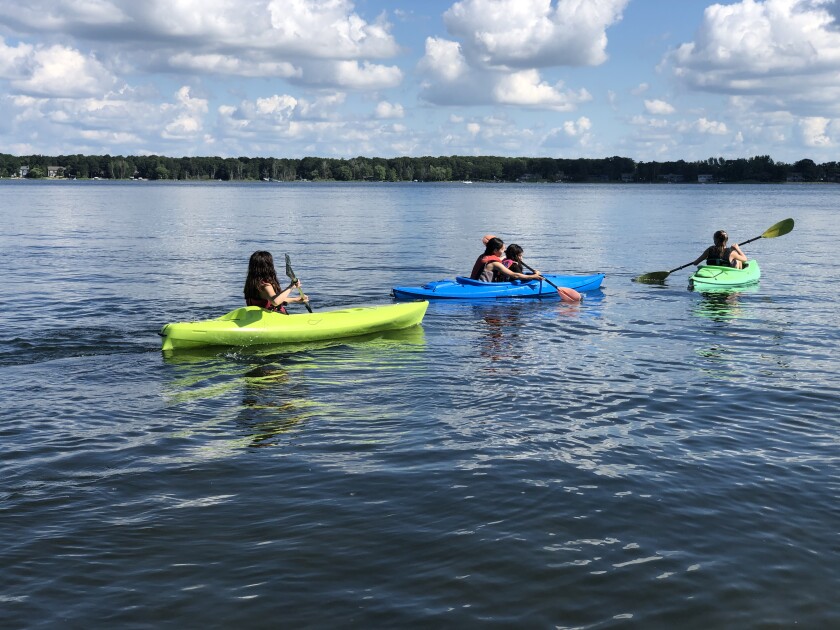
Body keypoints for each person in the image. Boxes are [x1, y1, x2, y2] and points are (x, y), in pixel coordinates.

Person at [243, 250, 308, 314]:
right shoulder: (265, 285)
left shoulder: (252, 283)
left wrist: (295, 299)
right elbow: (275, 301)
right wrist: (291, 287)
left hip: (254, 315)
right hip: (272, 318)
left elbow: (273, 299)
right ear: (268, 266)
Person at [470, 237, 542, 282]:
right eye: (502, 249)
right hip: (482, 287)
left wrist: (510, 256)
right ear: (495, 250)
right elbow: (514, 275)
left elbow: (499, 259)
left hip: (473, 282)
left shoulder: (482, 256)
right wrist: (534, 276)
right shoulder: (495, 264)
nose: (504, 251)